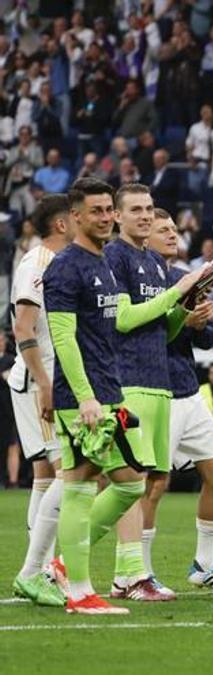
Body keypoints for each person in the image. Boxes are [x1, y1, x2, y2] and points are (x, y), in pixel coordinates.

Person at [45, 179, 186, 615]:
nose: (106, 217)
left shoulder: (103, 262)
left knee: (129, 482)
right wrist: (85, 397)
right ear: (74, 217)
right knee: (81, 487)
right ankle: (78, 590)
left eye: (109, 209)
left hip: (110, 391)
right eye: (97, 211)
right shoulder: (66, 267)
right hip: (82, 398)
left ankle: (63, 568)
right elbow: (64, 339)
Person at [104, 184, 207, 602]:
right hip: (127, 382)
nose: (145, 215)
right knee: (127, 483)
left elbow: (164, 330)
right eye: (136, 209)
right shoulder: (115, 256)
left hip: (158, 383)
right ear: (117, 216)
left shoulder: (153, 262)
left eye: (149, 208)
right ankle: (115, 572)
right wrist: (179, 291)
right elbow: (124, 319)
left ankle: (125, 576)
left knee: (141, 483)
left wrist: (184, 310)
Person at [147, 209, 213, 594]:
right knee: (154, 483)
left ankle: (204, 563)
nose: (173, 234)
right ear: (143, 234)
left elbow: (205, 341)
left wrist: (200, 323)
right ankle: (139, 571)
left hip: (188, 387)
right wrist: (182, 320)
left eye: (174, 228)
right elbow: (137, 333)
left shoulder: (182, 276)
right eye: (163, 229)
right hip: (156, 389)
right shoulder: (137, 277)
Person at [10, 194, 73, 608]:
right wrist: (46, 382)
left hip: (48, 380)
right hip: (41, 382)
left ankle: (41, 568)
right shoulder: (37, 263)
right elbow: (23, 327)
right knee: (71, 470)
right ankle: (37, 571)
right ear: (62, 223)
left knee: (46, 475)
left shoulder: (61, 262)